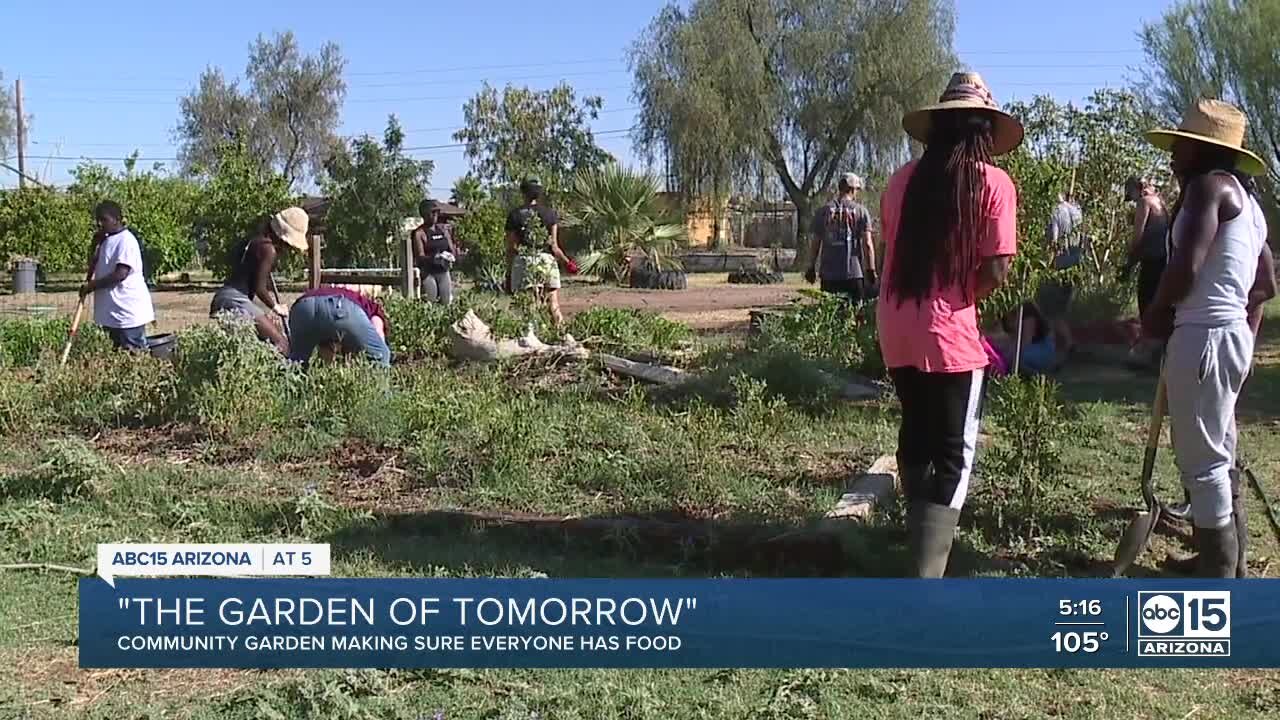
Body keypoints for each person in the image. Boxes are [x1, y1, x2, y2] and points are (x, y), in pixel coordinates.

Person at [878, 71, 1022, 578]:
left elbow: (889, 255)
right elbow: (997, 269)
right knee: (954, 453)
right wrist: (962, 297)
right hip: (951, 335)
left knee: (916, 434)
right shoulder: (993, 183)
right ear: (984, 131)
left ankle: (914, 543)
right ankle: (926, 575)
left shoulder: (900, 181)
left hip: (895, 324)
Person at [1140, 98, 1275, 578]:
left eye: (1180, 147)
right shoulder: (1250, 205)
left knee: (1203, 460)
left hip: (1202, 336)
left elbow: (1185, 268)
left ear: (1200, 151)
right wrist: (1244, 340)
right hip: (1226, 336)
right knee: (1218, 447)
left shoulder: (1205, 189)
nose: (1173, 155)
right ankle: (1226, 560)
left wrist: (1156, 316)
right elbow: (1266, 286)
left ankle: (1217, 572)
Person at [209, 207, 310, 352]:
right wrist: (276, 307)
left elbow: (252, 277)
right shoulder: (269, 250)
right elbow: (259, 288)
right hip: (235, 300)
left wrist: (264, 312)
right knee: (281, 344)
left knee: (251, 347)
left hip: (224, 298)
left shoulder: (255, 241)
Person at [79, 201, 155, 351]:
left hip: (127, 313)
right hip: (112, 314)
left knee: (134, 356)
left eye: (104, 219)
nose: (99, 224)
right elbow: (95, 264)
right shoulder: (105, 241)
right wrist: (94, 244)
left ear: (117, 219)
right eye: (97, 220)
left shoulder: (126, 241)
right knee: (116, 357)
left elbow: (120, 274)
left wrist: (92, 286)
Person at [505, 178, 578, 327]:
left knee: (528, 305)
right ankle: (562, 335)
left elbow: (512, 248)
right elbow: (554, 246)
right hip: (546, 260)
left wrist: (508, 272)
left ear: (523, 192)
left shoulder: (515, 215)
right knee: (553, 303)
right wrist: (568, 263)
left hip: (524, 261)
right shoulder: (550, 214)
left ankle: (530, 338)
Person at [805, 173, 876, 302]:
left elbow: (815, 243)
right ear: (853, 189)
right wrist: (870, 269)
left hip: (829, 276)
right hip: (854, 274)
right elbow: (867, 244)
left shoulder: (823, 211)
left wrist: (811, 267)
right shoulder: (861, 211)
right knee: (855, 317)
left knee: (831, 317)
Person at [287, 286, 392, 368]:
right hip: (340, 307)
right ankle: (381, 395)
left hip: (302, 308)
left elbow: (326, 350)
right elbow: (378, 332)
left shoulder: (349, 295)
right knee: (382, 355)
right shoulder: (374, 309)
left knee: (298, 365)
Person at [412, 199, 460, 305]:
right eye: (432, 212)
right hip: (428, 273)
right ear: (424, 214)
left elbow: (452, 249)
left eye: (437, 212)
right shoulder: (419, 233)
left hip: (443, 271)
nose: (435, 215)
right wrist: (435, 258)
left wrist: (452, 256)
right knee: (431, 303)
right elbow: (420, 257)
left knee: (446, 303)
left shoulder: (443, 230)